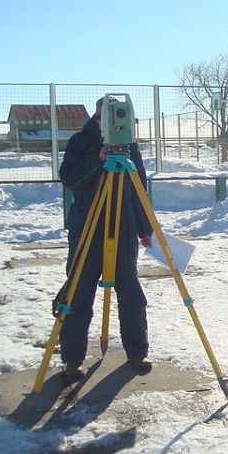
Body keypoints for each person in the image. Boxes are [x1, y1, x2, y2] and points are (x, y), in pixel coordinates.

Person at [58, 96, 154, 379]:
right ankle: (72, 359)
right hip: (87, 227)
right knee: (79, 292)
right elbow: (69, 178)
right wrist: (96, 160)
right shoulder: (80, 141)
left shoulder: (129, 147)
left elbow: (139, 188)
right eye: (105, 117)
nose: (111, 123)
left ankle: (138, 352)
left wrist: (144, 226)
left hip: (122, 227)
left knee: (131, 294)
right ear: (96, 117)